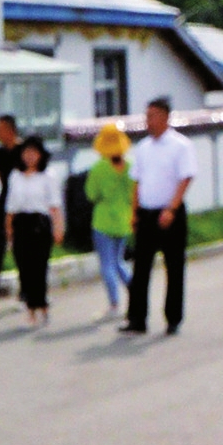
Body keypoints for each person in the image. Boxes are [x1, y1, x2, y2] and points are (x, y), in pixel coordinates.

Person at [122, 96, 196, 335]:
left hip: (170, 213)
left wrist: (171, 209)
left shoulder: (180, 145)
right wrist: (134, 213)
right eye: (147, 116)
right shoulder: (143, 148)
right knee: (140, 267)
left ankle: (173, 318)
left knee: (173, 267)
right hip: (146, 213)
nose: (148, 121)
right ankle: (137, 318)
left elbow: (186, 178)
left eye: (152, 116)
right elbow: (137, 181)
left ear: (165, 117)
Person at [0, 115, 48, 303]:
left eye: (0, 129)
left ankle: (26, 290)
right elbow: (1, 180)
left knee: (23, 249)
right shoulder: (0, 153)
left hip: (24, 205)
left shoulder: (23, 151)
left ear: (10, 130)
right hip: (5, 202)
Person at [3, 138, 64, 325]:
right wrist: (8, 230)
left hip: (40, 223)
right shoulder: (15, 176)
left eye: (34, 152)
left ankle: (42, 305)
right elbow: (10, 206)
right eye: (26, 152)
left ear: (40, 155)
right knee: (24, 267)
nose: (29, 157)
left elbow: (54, 205)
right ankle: (31, 309)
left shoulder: (48, 176)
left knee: (39, 267)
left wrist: (58, 227)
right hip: (21, 222)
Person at [84, 122, 134, 322]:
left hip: (103, 221)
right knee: (119, 261)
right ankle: (135, 291)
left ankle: (114, 304)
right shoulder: (130, 167)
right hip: (124, 220)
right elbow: (134, 194)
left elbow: (91, 194)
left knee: (107, 264)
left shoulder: (98, 168)